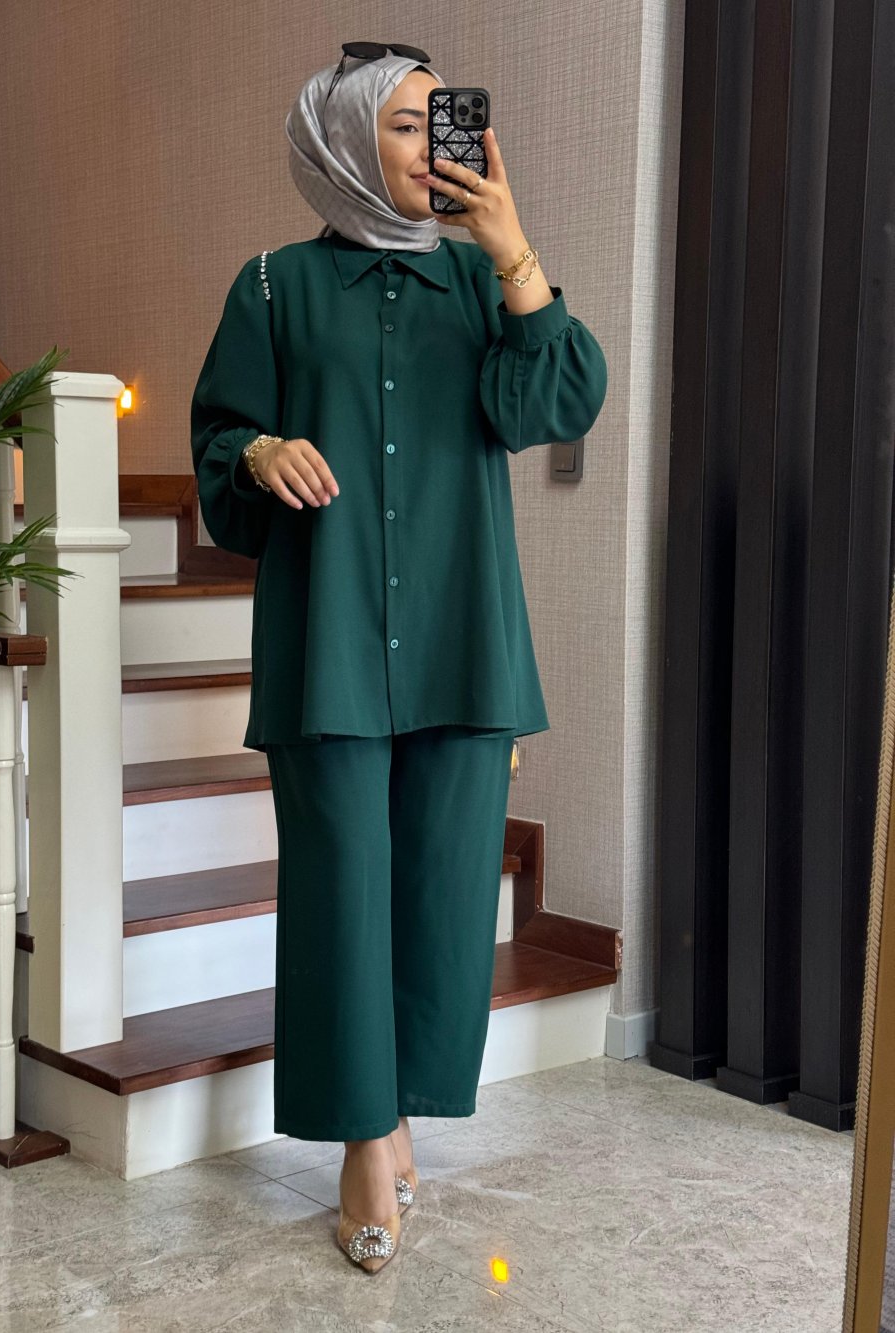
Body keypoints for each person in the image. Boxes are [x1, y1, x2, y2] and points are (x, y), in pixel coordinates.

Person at [190, 43, 608, 1274]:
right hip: (325, 646)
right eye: (409, 124)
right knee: (339, 897)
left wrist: (512, 244)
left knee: (438, 901)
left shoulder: (481, 282)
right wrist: (259, 452)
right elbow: (220, 448)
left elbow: (554, 406)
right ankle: (365, 1144)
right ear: (344, 140)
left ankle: (401, 1112)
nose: (435, 146)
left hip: (462, 643)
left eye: (444, 122)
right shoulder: (273, 287)